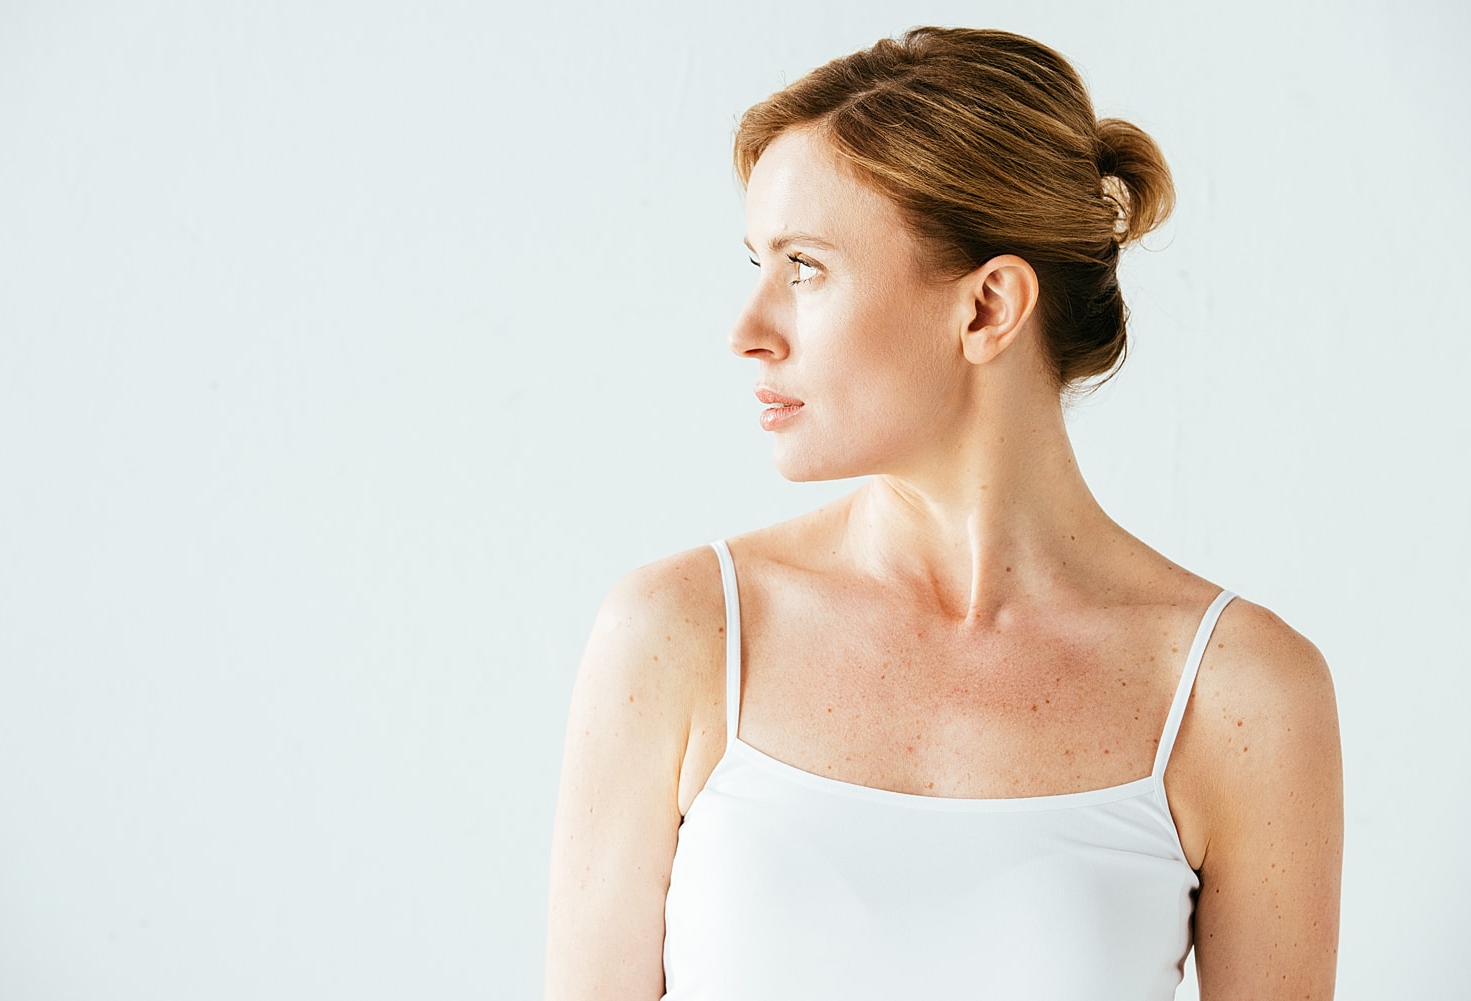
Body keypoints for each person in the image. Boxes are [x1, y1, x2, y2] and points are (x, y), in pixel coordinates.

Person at [544, 26, 1342, 1001]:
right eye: (757, 262)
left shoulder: (1240, 692)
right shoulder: (680, 634)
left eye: (804, 267)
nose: (746, 330)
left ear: (986, 308)